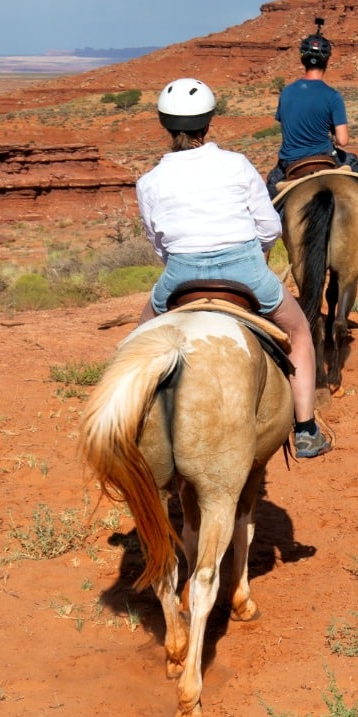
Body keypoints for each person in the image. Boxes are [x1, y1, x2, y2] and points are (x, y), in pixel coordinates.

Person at [134, 77, 330, 459]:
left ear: (164, 124)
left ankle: (132, 425)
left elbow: (158, 242)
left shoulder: (149, 182)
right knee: (298, 331)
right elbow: (269, 227)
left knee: (136, 343)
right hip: (245, 272)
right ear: (209, 122)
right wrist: (258, 253)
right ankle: (306, 429)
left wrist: (184, 262)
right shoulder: (236, 165)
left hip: (180, 276)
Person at [270, 19, 358, 249]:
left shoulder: (286, 92)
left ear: (302, 59)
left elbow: (285, 123)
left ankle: (262, 257)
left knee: (266, 206)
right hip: (325, 157)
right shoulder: (332, 96)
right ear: (327, 61)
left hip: (290, 162)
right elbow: (343, 140)